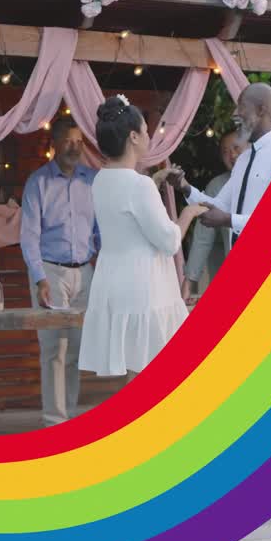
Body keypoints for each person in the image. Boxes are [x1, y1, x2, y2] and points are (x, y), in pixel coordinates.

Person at [78, 95, 207, 382]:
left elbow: (128, 213)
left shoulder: (101, 180)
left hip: (113, 280)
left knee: (135, 368)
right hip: (144, 283)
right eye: (146, 131)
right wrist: (189, 213)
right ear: (133, 137)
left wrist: (153, 182)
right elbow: (169, 241)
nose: (149, 136)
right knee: (152, 372)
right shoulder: (139, 185)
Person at [20, 118, 99, 426]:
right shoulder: (38, 182)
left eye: (79, 141)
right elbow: (29, 236)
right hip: (50, 272)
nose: (75, 147)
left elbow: (100, 229)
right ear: (54, 144)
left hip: (85, 272)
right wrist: (39, 277)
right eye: (68, 141)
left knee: (77, 349)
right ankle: (54, 422)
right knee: (54, 349)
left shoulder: (92, 180)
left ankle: (69, 419)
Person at [171, 83, 271, 246]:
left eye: (242, 106)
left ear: (260, 110)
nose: (235, 113)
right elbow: (220, 205)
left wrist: (229, 220)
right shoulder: (244, 159)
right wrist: (185, 187)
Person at [180, 130, 244, 303]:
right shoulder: (217, 186)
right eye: (225, 151)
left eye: (236, 148)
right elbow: (203, 237)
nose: (232, 155)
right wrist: (189, 282)